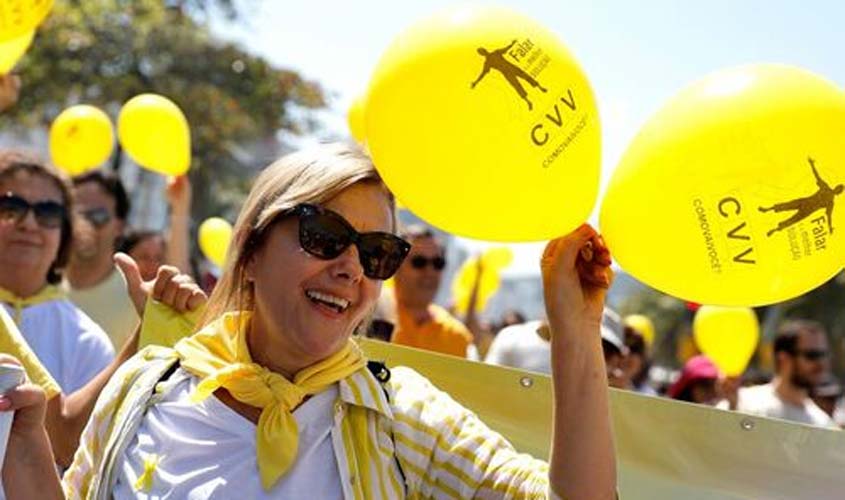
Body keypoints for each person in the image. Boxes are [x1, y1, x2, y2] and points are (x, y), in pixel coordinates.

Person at [2, 143, 616, 499]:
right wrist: (29, 451)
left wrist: (577, 332)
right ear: (250, 251)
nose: (352, 267)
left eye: (377, 252)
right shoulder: (145, 389)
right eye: (325, 236)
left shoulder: (402, 417)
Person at [66, 170, 139, 349]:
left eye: (98, 217)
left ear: (119, 227)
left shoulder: (135, 302)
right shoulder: (35, 287)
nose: (84, 225)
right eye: (75, 215)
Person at [730, 320, 837, 427]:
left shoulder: (823, 423)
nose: (821, 364)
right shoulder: (743, 402)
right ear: (784, 359)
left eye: (824, 355)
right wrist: (732, 406)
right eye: (812, 355)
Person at [390, 225, 476, 358]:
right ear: (395, 266)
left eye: (438, 263)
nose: (430, 272)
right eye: (419, 262)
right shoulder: (367, 316)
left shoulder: (456, 336)